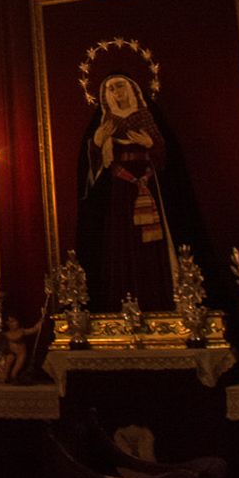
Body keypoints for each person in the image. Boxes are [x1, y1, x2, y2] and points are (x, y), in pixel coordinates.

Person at [75, 73, 205, 310]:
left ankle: (162, 301)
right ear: (106, 96)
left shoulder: (146, 116)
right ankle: (121, 304)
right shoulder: (105, 122)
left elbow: (168, 162)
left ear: (132, 90)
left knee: (152, 244)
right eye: (112, 89)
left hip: (148, 188)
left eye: (121, 87)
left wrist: (151, 145)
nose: (117, 92)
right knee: (120, 243)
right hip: (119, 193)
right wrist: (97, 142)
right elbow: (92, 172)